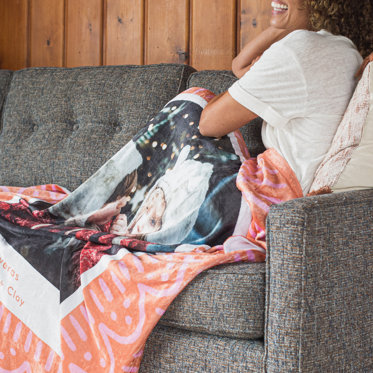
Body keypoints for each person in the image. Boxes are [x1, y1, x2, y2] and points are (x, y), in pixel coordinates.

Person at [199, 0, 372, 195]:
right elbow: (239, 66)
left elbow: (207, 125)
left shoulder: (299, 50)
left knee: (192, 101)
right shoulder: (347, 50)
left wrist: (286, 26)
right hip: (290, 184)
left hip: (273, 189)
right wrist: (281, 26)